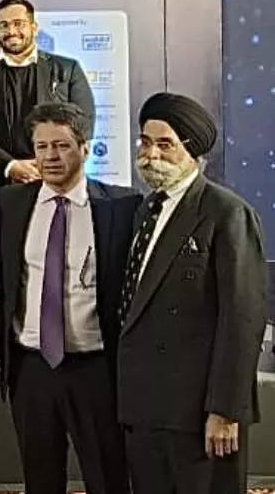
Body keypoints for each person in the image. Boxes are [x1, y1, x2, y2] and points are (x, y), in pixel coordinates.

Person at [117, 93, 266, 494]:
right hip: (145, 409)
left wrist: (225, 410)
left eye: (165, 144)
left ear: (194, 152)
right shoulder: (145, 211)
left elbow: (242, 320)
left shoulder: (226, 212)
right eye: (145, 142)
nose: (151, 154)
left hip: (199, 415)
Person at [0, 102, 136, 494]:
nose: (51, 157)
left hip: (96, 370)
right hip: (32, 368)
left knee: (108, 478)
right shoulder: (10, 203)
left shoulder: (122, 207)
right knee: (40, 480)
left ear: (85, 149)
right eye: (41, 147)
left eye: (61, 146)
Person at [0, 0, 94, 198]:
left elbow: (84, 124)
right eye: (4, 25)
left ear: (34, 27)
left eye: (18, 23)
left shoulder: (67, 69)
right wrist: (9, 165)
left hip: (57, 184)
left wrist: (48, 161)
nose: (11, 31)